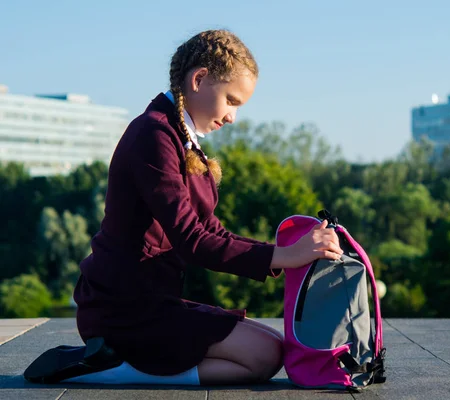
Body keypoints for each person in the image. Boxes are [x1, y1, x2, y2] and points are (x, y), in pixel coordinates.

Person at [28, 29, 344, 386]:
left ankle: (119, 361)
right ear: (198, 79)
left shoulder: (180, 138)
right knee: (263, 356)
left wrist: (285, 251)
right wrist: (283, 257)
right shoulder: (153, 135)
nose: (232, 117)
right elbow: (192, 240)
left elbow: (212, 232)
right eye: (231, 100)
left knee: (274, 346)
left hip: (152, 300)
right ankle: (114, 368)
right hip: (122, 308)